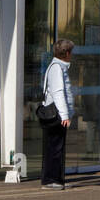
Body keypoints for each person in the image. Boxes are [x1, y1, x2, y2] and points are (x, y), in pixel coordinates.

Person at [40, 39, 75, 190]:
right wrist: (65, 115)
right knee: (54, 147)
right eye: (71, 52)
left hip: (59, 113)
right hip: (56, 115)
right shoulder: (56, 68)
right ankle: (50, 180)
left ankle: (58, 179)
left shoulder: (60, 67)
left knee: (58, 148)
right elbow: (59, 92)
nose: (71, 55)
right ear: (66, 53)